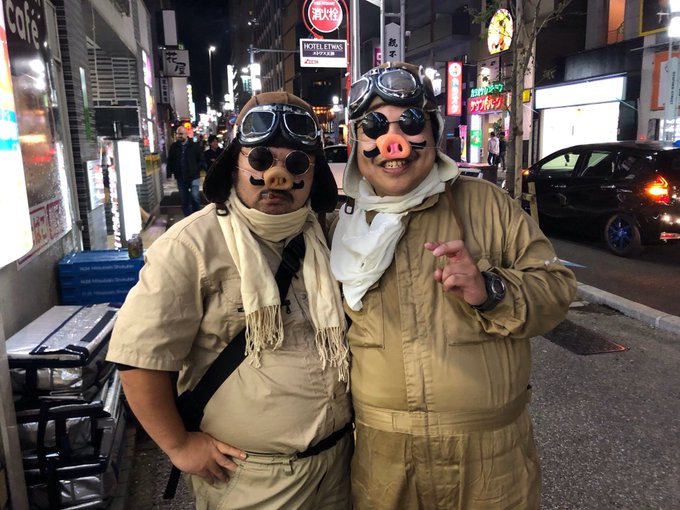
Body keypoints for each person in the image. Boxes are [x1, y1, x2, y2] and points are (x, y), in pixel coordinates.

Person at [330, 62, 577, 509]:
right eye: (374, 127)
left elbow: (557, 289)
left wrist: (492, 291)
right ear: (357, 142)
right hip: (384, 461)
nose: (392, 143)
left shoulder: (486, 204)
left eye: (409, 123)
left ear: (434, 132)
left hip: (490, 461)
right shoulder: (340, 226)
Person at [107, 92, 353, 509]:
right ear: (235, 164)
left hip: (337, 467)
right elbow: (139, 359)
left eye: (296, 163)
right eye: (260, 159)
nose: (277, 176)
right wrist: (179, 446)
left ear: (314, 173)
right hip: (250, 478)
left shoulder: (328, 236)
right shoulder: (192, 244)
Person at [167, 126, 206, 217]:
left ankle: (196, 215)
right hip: (181, 176)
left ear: (186, 134)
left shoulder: (194, 146)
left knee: (195, 196)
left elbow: (201, 160)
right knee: (184, 199)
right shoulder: (174, 147)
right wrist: (169, 173)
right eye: (177, 134)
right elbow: (170, 160)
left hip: (194, 176)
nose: (179, 136)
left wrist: (197, 168)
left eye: (181, 134)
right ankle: (188, 216)